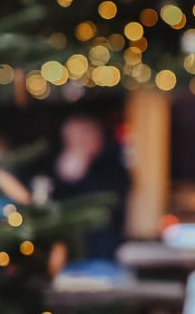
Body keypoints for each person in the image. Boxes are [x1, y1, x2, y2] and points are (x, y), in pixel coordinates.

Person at [44, 113, 132, 265]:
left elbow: (106, 204)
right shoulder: (59, 167)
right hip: (67, 250)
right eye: (69, 139)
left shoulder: (113, 167)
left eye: (78, 137)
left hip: (103, 251)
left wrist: (80, 174)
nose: (74, 144)